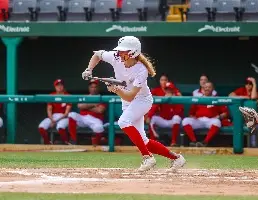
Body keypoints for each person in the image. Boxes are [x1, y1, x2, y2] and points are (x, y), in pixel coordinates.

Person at [82, 36, 186, 172]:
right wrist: (89, 70)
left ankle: (147, 157)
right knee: (144, 140)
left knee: (123, 122)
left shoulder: (141, 70)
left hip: (142, 100)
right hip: (127, 101)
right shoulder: (116, 56)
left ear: (133, 53)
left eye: (123, 51)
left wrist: (116, 89)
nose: (119, 53)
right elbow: (97, 55)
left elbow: (131, 96)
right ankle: (176, 158)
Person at [182, 81, 228, 147]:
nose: (207, 88)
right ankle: (194, 141)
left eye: (209, 87)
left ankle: (205, 142)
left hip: (211, 120)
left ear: (213, 89)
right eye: (205, 87)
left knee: (217, 122)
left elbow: (225, 113)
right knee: (185, 120)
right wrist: (192, 117)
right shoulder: (198, 99)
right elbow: (191, 113)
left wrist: (219, 116)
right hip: (199, 120)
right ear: (203, 88)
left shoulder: (216, 99)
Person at [68, 79, 107, 146]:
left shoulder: (101, 97)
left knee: (99, 128)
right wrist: (93, 105)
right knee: (71, 114)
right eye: (92, 87)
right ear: (89, 88)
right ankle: (73, 140)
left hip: (95, 119)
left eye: (95, 87)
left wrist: (86, 106)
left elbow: (100, 110)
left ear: (98, 88)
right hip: (83, 118)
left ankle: (95, 145)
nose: (93, 89)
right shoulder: (85, 97)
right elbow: (79, 106)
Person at [146, 82, 184, 147]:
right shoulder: (162, 98)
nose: (168, 91)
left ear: (173, 90)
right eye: (167, 89)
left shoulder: (177, 98)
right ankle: (153, 142)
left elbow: (179, 112)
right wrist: (149, 116)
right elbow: (154, 107)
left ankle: (173, 142)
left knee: (177, 117)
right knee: (153, 118)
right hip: (163, 120)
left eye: (170, 89)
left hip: (173, 122)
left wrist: (173, 101)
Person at [38, 79, 72, 145]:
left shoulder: (68, 96)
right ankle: (47, 143)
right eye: (57, 85)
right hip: (53, 116)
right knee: (41, 127)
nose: (59, 87)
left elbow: (66, 113)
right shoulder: (51, 95)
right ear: (55, 87)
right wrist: (52, 119)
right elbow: (49, 110)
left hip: (64, 117)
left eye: (61, 85)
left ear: (63, 86)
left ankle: (66, 143)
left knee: (60, 126)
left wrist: (54, 121)